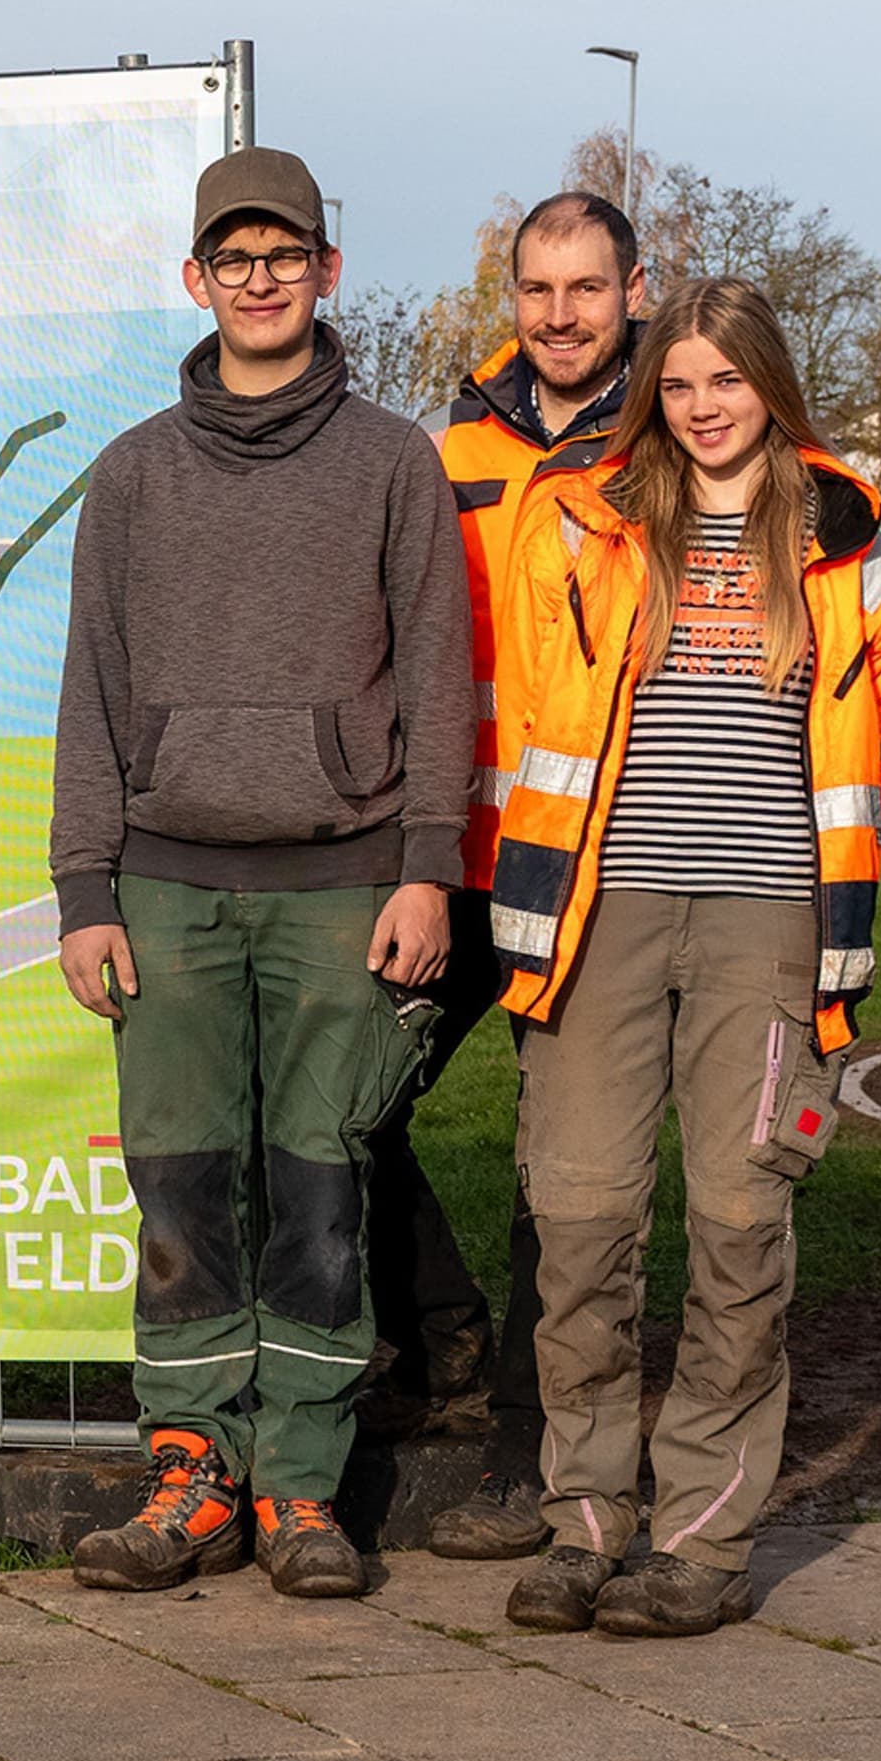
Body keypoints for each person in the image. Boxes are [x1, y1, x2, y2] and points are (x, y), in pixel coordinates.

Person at [51, 144, 472, 1601]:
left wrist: (427, 869)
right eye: (234, 258)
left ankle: (301, 1486)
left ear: (325, 272)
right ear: (196, 280)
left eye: (284, 255)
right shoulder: (132, 474)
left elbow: (437, 674)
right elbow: (90, 694)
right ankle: (193, 1474)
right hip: (166, 887)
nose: (260, 279)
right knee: (179, 1191)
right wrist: (85, 891)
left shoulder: (393, 463)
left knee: (318, 1189)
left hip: (344, 882)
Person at [482, 279, 881, 1636]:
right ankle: (584, 1524)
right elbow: (527, 707)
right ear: (653, 395)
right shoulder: (575, 523)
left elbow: (877, 757)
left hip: (769, 924)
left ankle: (703, 1544)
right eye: (678, 384)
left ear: (770, 388)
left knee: (741, 1229)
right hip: (597, 917)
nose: (703, 407)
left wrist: (815, 922)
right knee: (582, 1225)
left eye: (726, 381)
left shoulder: (857, 558)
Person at [400, 192, 646, 1563]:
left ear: (632, 290)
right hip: (455, 855)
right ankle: (438, 1334)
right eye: (537, 290)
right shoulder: (450, 451)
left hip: (600, 864)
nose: (559, 315)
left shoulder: (678, 439)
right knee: (346, 1104)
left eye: (586, 289)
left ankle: (523, 1455)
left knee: (562, 1175)